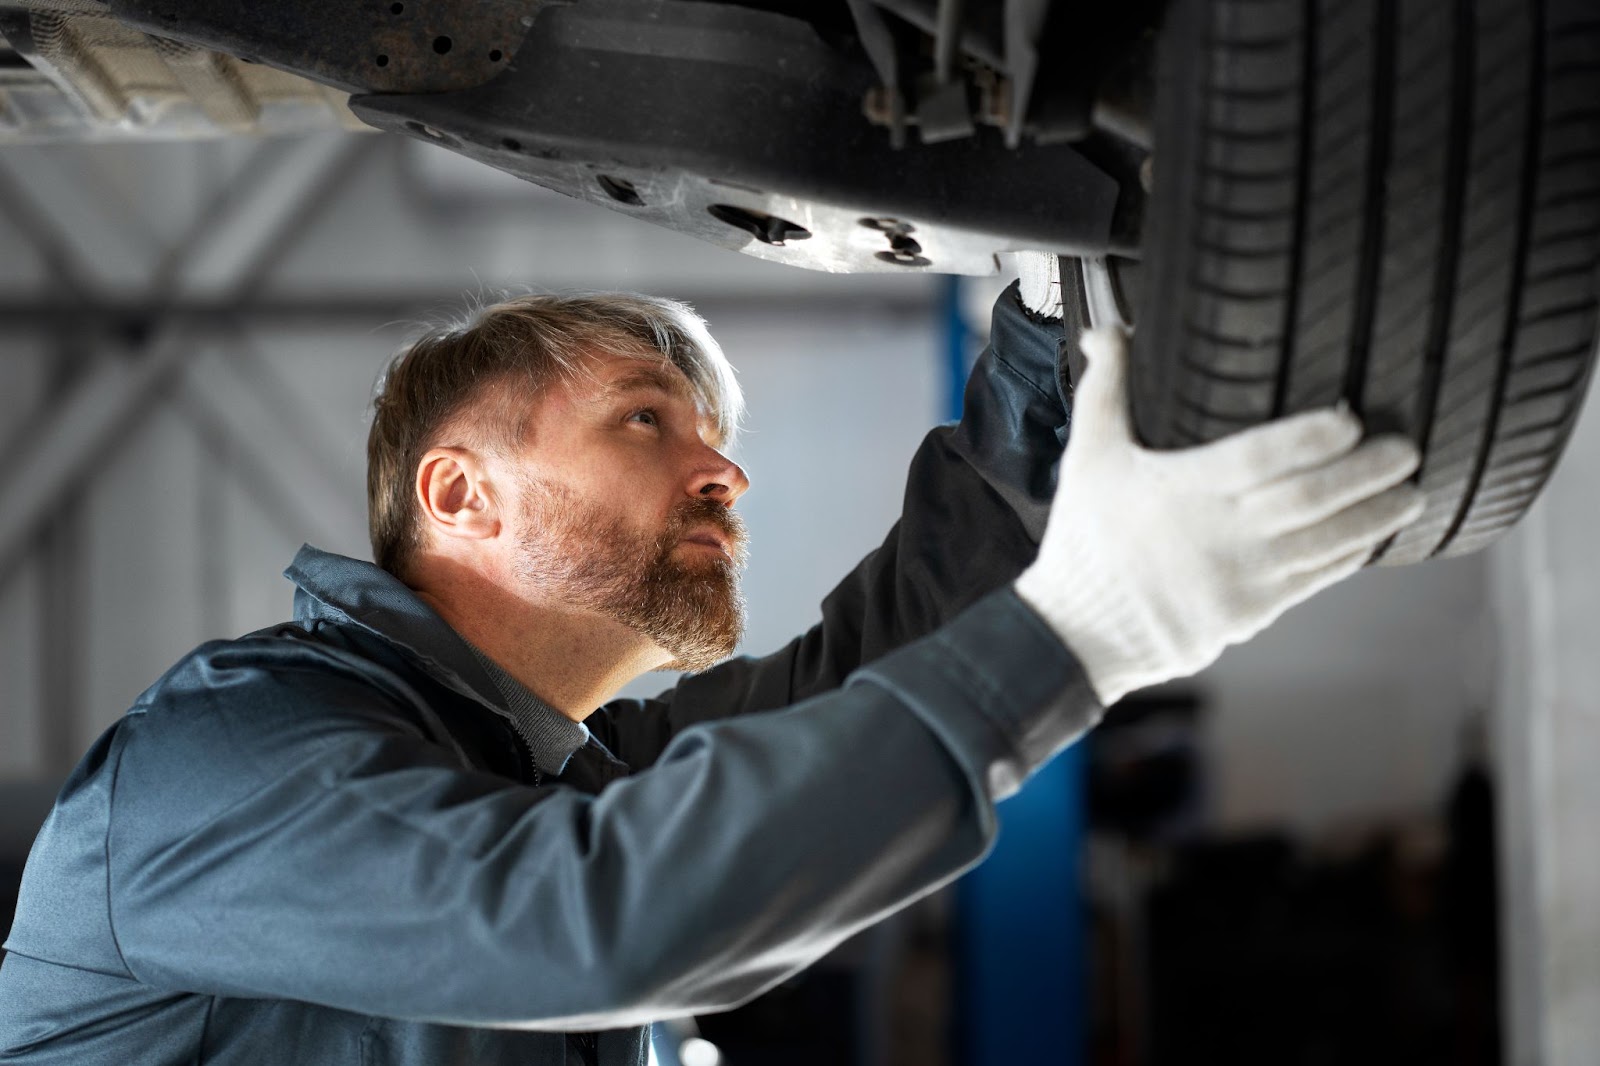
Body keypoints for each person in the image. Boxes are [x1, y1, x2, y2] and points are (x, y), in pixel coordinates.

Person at [0, 256, 1423, 1065]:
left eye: (709, 432)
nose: (724, 469)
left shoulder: (545, 776)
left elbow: (873, 664)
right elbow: (597, 915)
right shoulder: (228, 764)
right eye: (645, 422)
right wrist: (1095, 631)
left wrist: (1048, 328)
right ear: (457, 496)